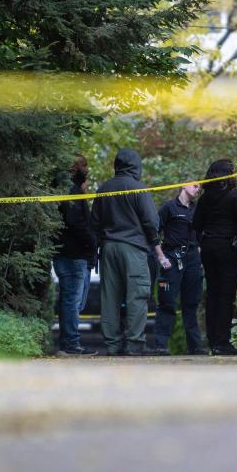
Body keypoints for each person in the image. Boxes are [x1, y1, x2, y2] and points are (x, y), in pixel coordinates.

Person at [90, 148, 164, 356]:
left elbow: (93, 222)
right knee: (137, 295)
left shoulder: (103, 189)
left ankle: (112, 345)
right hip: (133, 248)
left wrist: (96, 250)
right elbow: (151, 221)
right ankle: (134, 345)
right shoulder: (138, 188)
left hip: (107, 248)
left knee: (110, 297)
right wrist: (155, 242)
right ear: (136, 167)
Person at [193, 159, 237, 356]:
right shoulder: (235, 196)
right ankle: (223, 342)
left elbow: (196, 225)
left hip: (209, 246)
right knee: (226, 295)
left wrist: (204, 242)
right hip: (227, 246)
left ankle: (213, 341)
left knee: (213, 295)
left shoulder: (204, 198)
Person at [152, 183, 205, 355]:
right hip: (172, 260)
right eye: (195, 185)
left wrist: (200, 258)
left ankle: (195, 346)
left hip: (192, 260)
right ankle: (160, 345)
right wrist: (161, 256)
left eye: (200, 187)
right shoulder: (169, 207)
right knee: (166, 302)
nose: (198, 189)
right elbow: (154, 233)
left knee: (191, 303)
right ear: (184, 185)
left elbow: (201, 235)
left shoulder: (198, 210)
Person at [52, 154, 96, 356]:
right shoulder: (72, 191)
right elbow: (75, 221)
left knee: (69, 300)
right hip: (73, 255)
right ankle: (71, 343)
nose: (87, 170)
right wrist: (91, 240)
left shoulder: (65, 190)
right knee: (72, 301)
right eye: (84, 166)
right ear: (76, 168)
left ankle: (67, 342)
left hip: (65, 253)